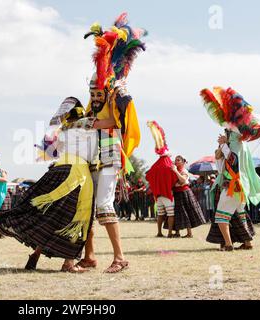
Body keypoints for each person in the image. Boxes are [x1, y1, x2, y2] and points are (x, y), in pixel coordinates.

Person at [0, 97, 95, 273]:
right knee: (73, 217)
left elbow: (54, 152)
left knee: (48, 215)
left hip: (58, 171)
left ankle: (36, 254)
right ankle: (68, 263)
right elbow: (91, 158)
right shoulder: (89, 132)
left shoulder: (61, 133)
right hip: (78, 175)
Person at [74, 13, 146, 273]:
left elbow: (119, 122)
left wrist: (93, 123)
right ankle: (90, 256)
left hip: (109, 154)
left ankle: (120, 258)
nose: (93, 94)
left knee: (103, 205)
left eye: (97, 91)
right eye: (91, 91)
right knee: (87, 207)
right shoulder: (95, 98)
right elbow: (87, 119)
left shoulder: (117, 93)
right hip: (90, 155)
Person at [201, 86, 260, 251]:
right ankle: (247, 242)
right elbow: (224, 157)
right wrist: (222, 146)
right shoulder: (240, 145)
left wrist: (223, 145)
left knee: (221, 217)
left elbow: (232, 161)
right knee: (241, 214)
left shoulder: (236, 145)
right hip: (239, 186)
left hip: (233, 185)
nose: (225, 133)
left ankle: (229, 245)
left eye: (227, 132)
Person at [145, 121, 179, 238]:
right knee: (170, 214)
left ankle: (159, 232)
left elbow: (147, 176)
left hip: (158, 195)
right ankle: (169, 232)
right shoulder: (169, 165)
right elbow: (175, 179)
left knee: (160, 214)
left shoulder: (155, 166)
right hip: (168, 194)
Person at [168, 155, 207, 238]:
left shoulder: (184, 170)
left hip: (184, 193)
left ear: (182, 162)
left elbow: (182, 180)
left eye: (178, 160)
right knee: (177, 213)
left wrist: (175, 171)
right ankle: (177, 232)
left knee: (187, 212)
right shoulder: (174, 170)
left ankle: (189, 233)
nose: (176, 161)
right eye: (175, 160)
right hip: (176, 193)